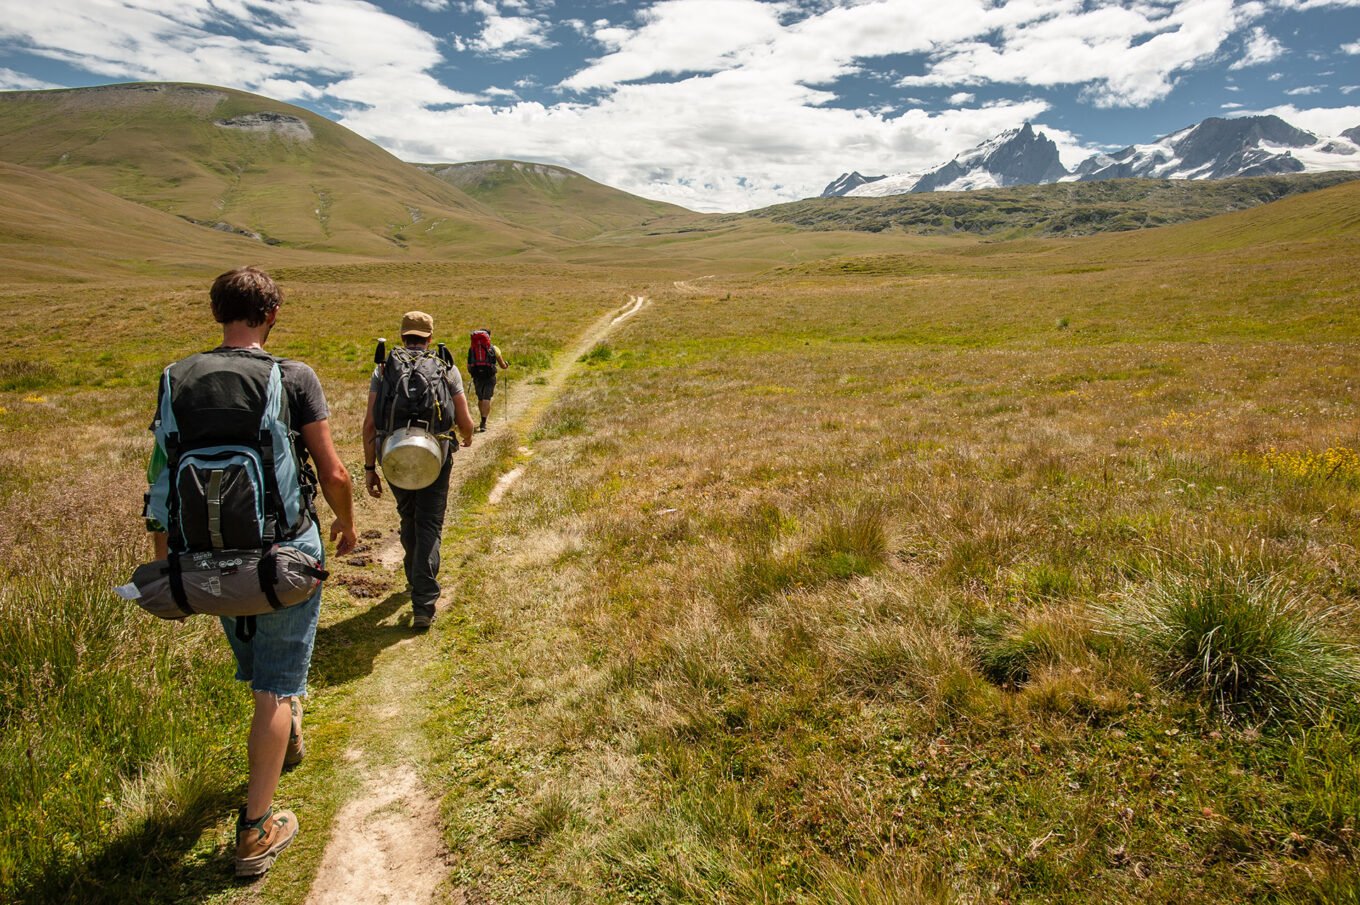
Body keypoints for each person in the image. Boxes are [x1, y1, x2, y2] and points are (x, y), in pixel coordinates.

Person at [145, 266, 357, 878]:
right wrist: (346, 528)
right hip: (283, 556)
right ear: (272, 314)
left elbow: (161, 476)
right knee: (276, 683)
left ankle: (283, 734)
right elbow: (334, 472)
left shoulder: (176, 378)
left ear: (218, 313)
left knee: (254, 660)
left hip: (203, 559)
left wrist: (165, 562)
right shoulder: (293, 376)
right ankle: (256, 828)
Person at [361, 311, 475, 629]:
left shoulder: (383, 369)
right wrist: (465, 437)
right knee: (429, 524)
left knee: (408, 516)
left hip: (394, 455)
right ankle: (423, 602)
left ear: (402, 336)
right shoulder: (444, 367)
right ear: (429, 337)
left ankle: (414, 578)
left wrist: (369, 468)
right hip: (435, 456)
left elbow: (370, 424)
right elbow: (464, 420)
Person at [467, 328, 509, 432]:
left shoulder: (472, 348)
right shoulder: (494, 349)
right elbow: (502, 365)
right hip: (490, 376)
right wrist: (506, 365)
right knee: (487, 397)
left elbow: (469, 365)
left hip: (477, 376)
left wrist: (473, 373)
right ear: (488, 337)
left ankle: (482, 417)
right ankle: (483, 422)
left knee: (480, 398)